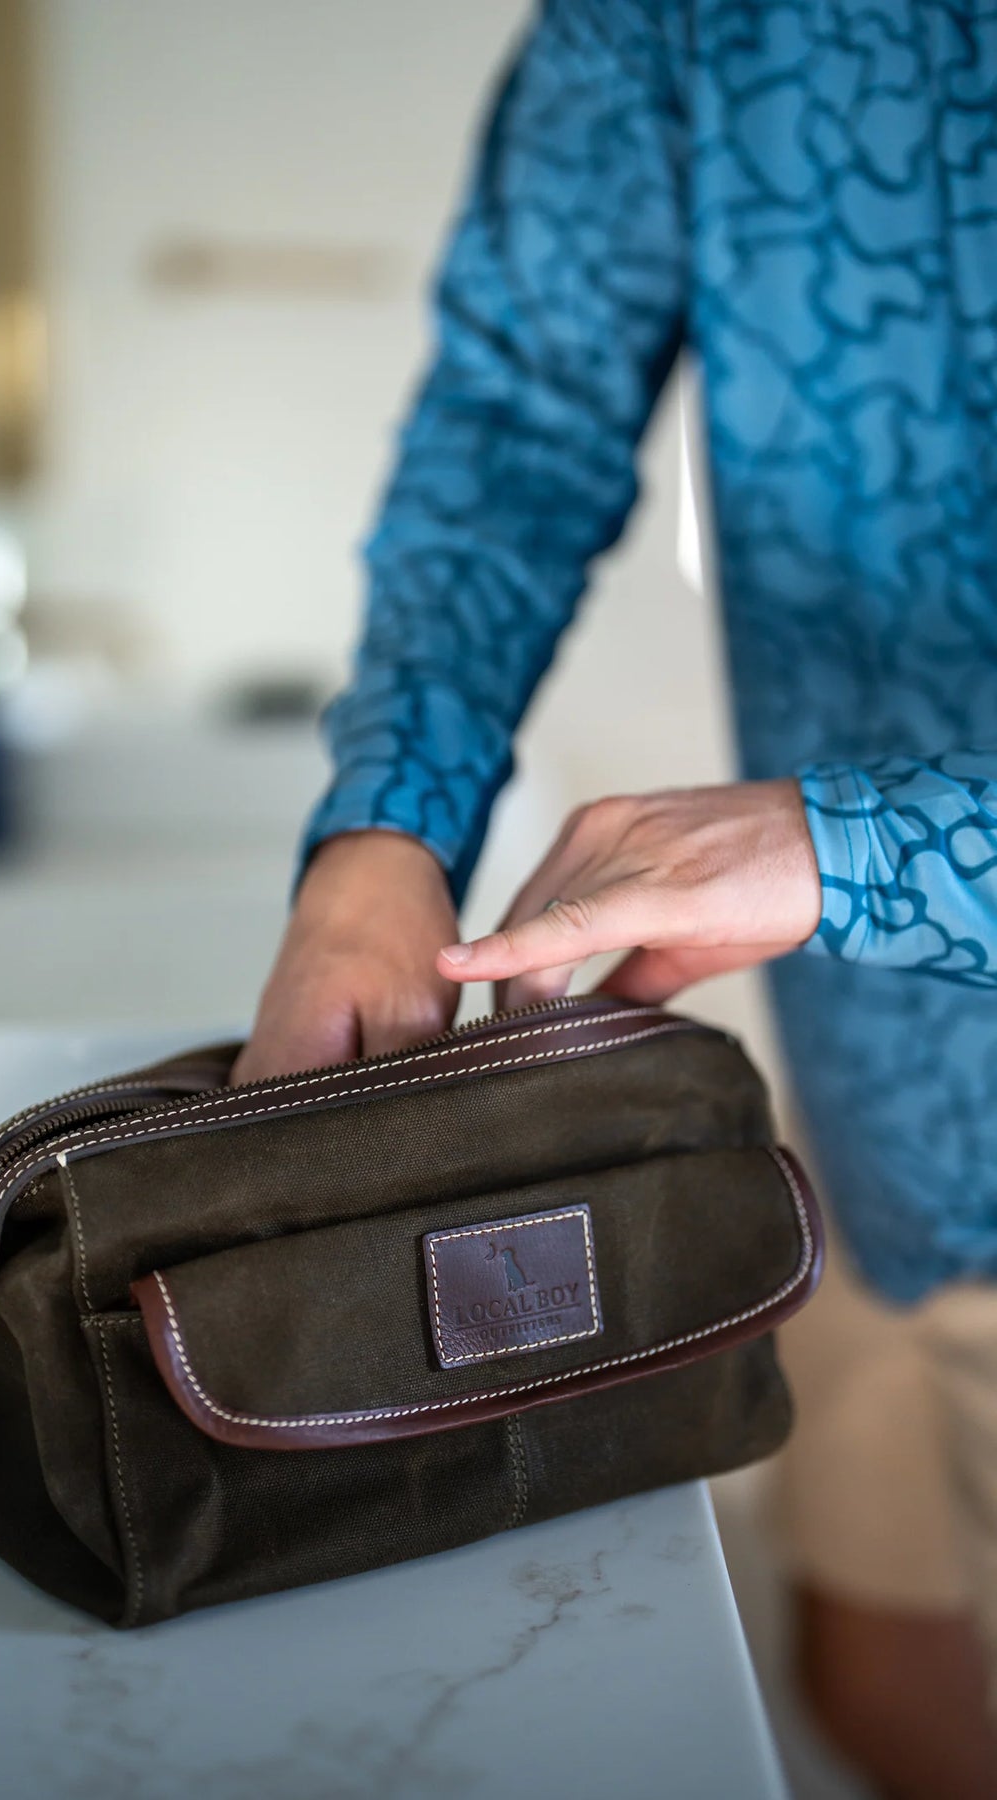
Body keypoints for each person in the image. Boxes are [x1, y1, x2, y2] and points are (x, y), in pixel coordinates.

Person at [234, 6, 997, 1795]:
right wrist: (383, 835)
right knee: (873, 1671)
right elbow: (517, 418)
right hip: (880, 1107)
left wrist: (856, 846)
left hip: (860, 956)